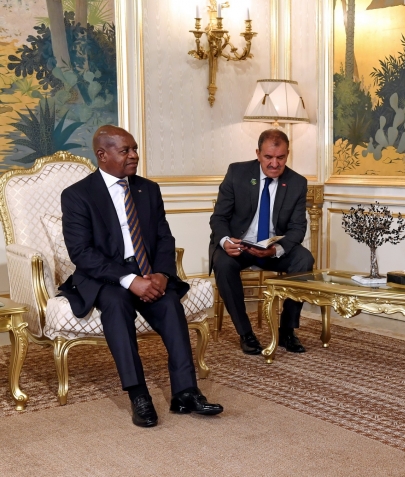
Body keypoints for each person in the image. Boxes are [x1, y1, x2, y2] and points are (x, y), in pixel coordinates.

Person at [59, 125, 223, 428]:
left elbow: (164, 238)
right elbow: (81, 253)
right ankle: (139, 395)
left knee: (169, 303)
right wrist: (129, 280)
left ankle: (185, 392)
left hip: (147, 269)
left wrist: (161, 274)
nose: (134, 155)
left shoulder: (148, 189)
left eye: (134, 148)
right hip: (104, 277)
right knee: (116, 304)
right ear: (102, 155)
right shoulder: (77, 195)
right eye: (126, 150)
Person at [209, 129, 314, 355]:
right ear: (258, 154)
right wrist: (225, 241)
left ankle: (287, 331)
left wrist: (277, 249)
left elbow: (298, 227)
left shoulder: (297, 182)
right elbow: (219, 218)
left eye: (281, 157)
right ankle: (245, 333)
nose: (275, 164)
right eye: (268, 157)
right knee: (223, 263)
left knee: (304, 259)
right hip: (240, 246)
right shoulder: (237, 173)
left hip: (273, 249)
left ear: (288, 154)